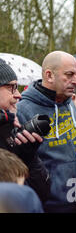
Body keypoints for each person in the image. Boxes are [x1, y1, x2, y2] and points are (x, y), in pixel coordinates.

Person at [16, 51, 76, 213]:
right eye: (69, 74)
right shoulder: (23, 109)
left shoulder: (70, 103)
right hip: (46, 205)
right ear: (49, 75)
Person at [0, 60, 50, 203]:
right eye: (12, 87)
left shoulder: (11, 129)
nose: (19, 95)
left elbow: (41, 195)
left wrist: (29, 159)